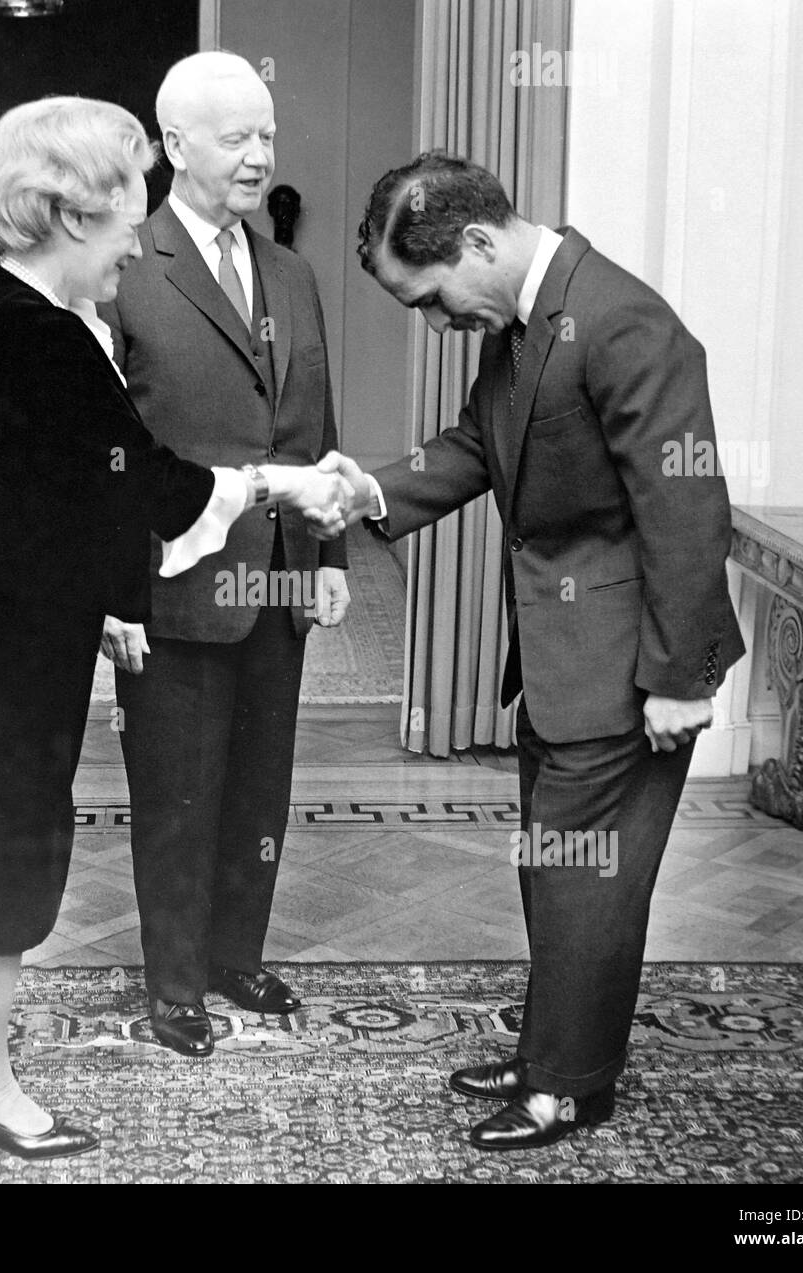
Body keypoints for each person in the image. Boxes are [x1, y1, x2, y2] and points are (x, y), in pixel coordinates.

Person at [0, 96, 349, 1160]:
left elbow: (48, 494)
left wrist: (104, 605)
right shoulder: (35, 331)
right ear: (71, 214)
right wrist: (281, 485)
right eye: (128, 213)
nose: (139, 234)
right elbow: (149, 490)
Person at [313, 151, 745, 1150]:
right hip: (563, 655)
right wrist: (372, 492)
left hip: (629, 664)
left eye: (431, 300)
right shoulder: (519, 325)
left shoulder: (624, 323)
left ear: (476, 243)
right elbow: (473, 444)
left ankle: (562, 1088)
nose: (434, 322)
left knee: (585, 876)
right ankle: (556, 1052)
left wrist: (680, 682)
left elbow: (686, 510)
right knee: (555, 866)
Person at [97, 51, 350, 1058]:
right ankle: (173, 983)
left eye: (269, 135)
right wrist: (112, 594)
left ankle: (235, 953)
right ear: (174, 147)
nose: (260, 156)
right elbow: (104, 454)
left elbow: (311, 421)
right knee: (178, 789)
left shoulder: (289, 270)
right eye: (238, 137)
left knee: (259, 785)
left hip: (279, 577)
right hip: (174, 585)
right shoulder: (126, 268)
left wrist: (328, 555)